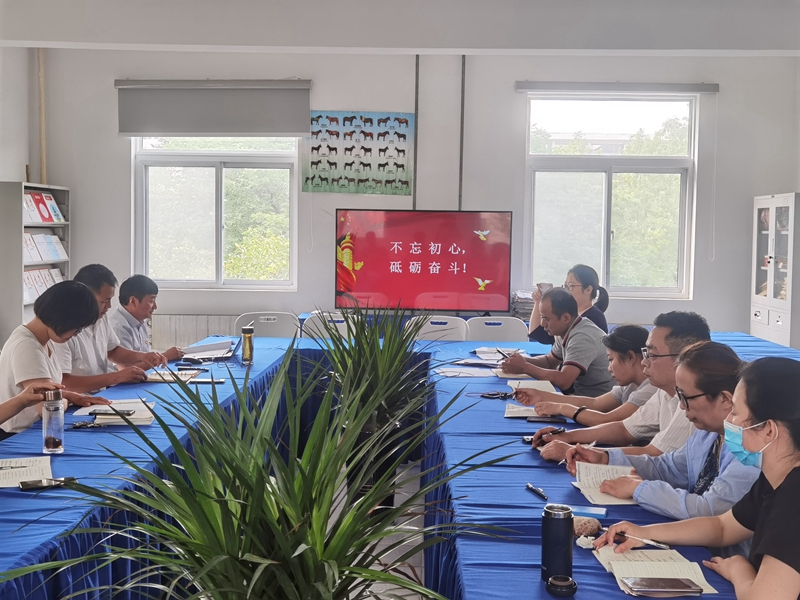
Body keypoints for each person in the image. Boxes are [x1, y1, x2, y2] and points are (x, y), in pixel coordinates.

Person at [596, 357, 800, 600]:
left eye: (735, 412)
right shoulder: (774, 480)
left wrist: (739, 571)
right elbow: (722, 527)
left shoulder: (793, 499)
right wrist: (645, 533)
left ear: (768, 430)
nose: (729, 421)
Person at [566, 342, 760, 557]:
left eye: (686, 397)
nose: (681, 406)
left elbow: (710, 510)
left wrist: (640, 489)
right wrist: (605, 458)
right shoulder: (709, 433)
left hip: (730, 558)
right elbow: (669, 467)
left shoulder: (748, 450)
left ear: (725, 399)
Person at [531, 311, 710, 462]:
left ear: (685, 357)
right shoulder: (665, 392)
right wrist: (567, 436)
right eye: (645, 353)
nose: (644, 362)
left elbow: (655, 455)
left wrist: (581, 453)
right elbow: (624, 429)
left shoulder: (695, 404)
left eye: (651, 355)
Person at [0, 281, 110, 434]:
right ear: (62, 319)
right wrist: (67, 400)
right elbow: (48, 409)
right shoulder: (27, 346)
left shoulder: (43, 340)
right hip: (20, 435)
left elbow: (43, 395)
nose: (75, 335)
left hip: (36, 430)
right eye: (77, 329)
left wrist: (71, 395)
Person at [55, 264, 167, 394]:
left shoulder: (101, 318)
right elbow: (64, 383)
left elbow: (113, 351)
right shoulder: (63, 329)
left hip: (101, 394)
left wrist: (143, 357)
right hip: (78, 399)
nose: (109, 306)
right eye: (105, 301)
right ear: (84, 296)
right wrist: (117, 377)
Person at [515, 325, 656, 426]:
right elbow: (595, 404)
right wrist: (541, 395)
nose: (609, 368)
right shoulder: (631, 384)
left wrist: (561, 408)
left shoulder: (649, 389)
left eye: (611, 360)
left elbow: (606, 420)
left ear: (630, 357)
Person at [501, 288, 613, 397]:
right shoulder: (569, 328)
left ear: (566, 318)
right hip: (582, 396)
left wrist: (525, 367)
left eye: (547, 319)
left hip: (598, 402)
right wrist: (521, 360)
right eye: (542, 317)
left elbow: (564, 381)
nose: (542, 324)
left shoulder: (582, 337)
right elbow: (550, 361)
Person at [529, 264, 609, 344]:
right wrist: (538, 301)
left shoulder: (594, 318)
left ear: (588, 290)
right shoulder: (570, 314)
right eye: (566, 286)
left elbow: (566, 347)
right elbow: (536, 333)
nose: (566, 290)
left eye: (571, 286)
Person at [110, 274, 183, 361]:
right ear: (133, 301)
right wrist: (164, 357)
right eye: (151, 301)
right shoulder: (118, 328)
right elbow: (127, 367)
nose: (155, 306)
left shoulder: (139, 321)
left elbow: (144, 356)